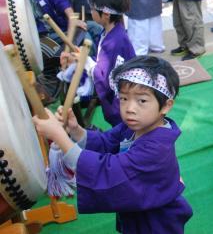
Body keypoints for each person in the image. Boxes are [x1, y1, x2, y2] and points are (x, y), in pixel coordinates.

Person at [33, 55, 193, 233]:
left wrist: (58, 135)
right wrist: (75, 130)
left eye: (142, 101)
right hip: (139, 211)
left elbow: (109, 170)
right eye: (124, 98)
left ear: (165, 106)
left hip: (156, 221)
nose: (130, 108)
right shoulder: (131, 127)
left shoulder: (157, 148)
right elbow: (106, 142)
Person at [63, 0, 136, 126]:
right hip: (123, 100)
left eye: (93, 9)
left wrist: (86, 62)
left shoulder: (114, 42)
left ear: (106, 15)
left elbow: (105, 79)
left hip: (120, 105)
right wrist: (84, 58)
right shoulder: (112, 33)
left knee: (126, 132)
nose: (91, 12)